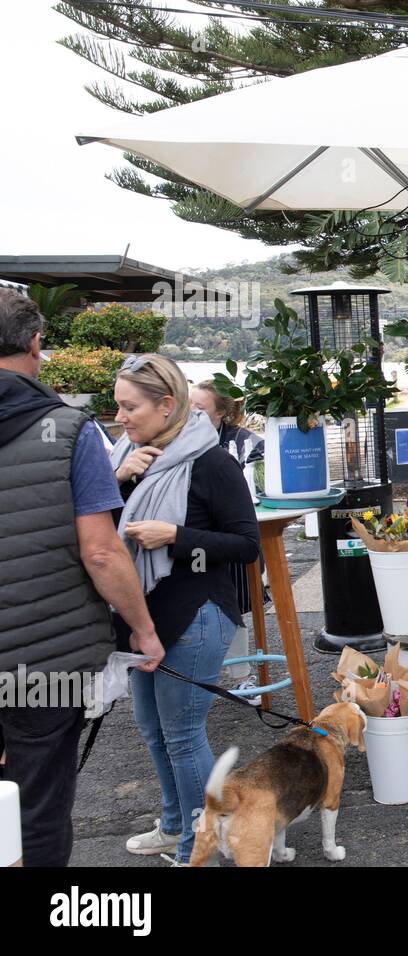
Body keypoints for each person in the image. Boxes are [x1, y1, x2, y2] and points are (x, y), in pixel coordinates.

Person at [0, 289, 162, 867]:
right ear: (37, 344)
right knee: (37, 806)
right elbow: (100, 552)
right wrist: (142, 629)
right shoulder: (68, 429)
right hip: (43, 658)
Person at [111, 354, 259, 864]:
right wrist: (116, 482)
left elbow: (245, 544)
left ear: (166, 404)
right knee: (153, 731)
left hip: (196, 615)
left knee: (182, 735)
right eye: (117, 407)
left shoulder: (210, 461)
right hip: (141, 618)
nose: (121, 418)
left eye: (130, 407)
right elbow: (103, 540)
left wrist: (175, 537)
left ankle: (204, 845)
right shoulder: (128, 461)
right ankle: (176, 825)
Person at [191, 381, 264, 695]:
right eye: (188, 408)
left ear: (222, 413)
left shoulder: (245, 443)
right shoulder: (177, 442)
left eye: (200, 409)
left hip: (233, 534)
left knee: (231, 603)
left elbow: (258, 485)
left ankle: (241, 675)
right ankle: (194, 675)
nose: (192, 416)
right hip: (194, 535)